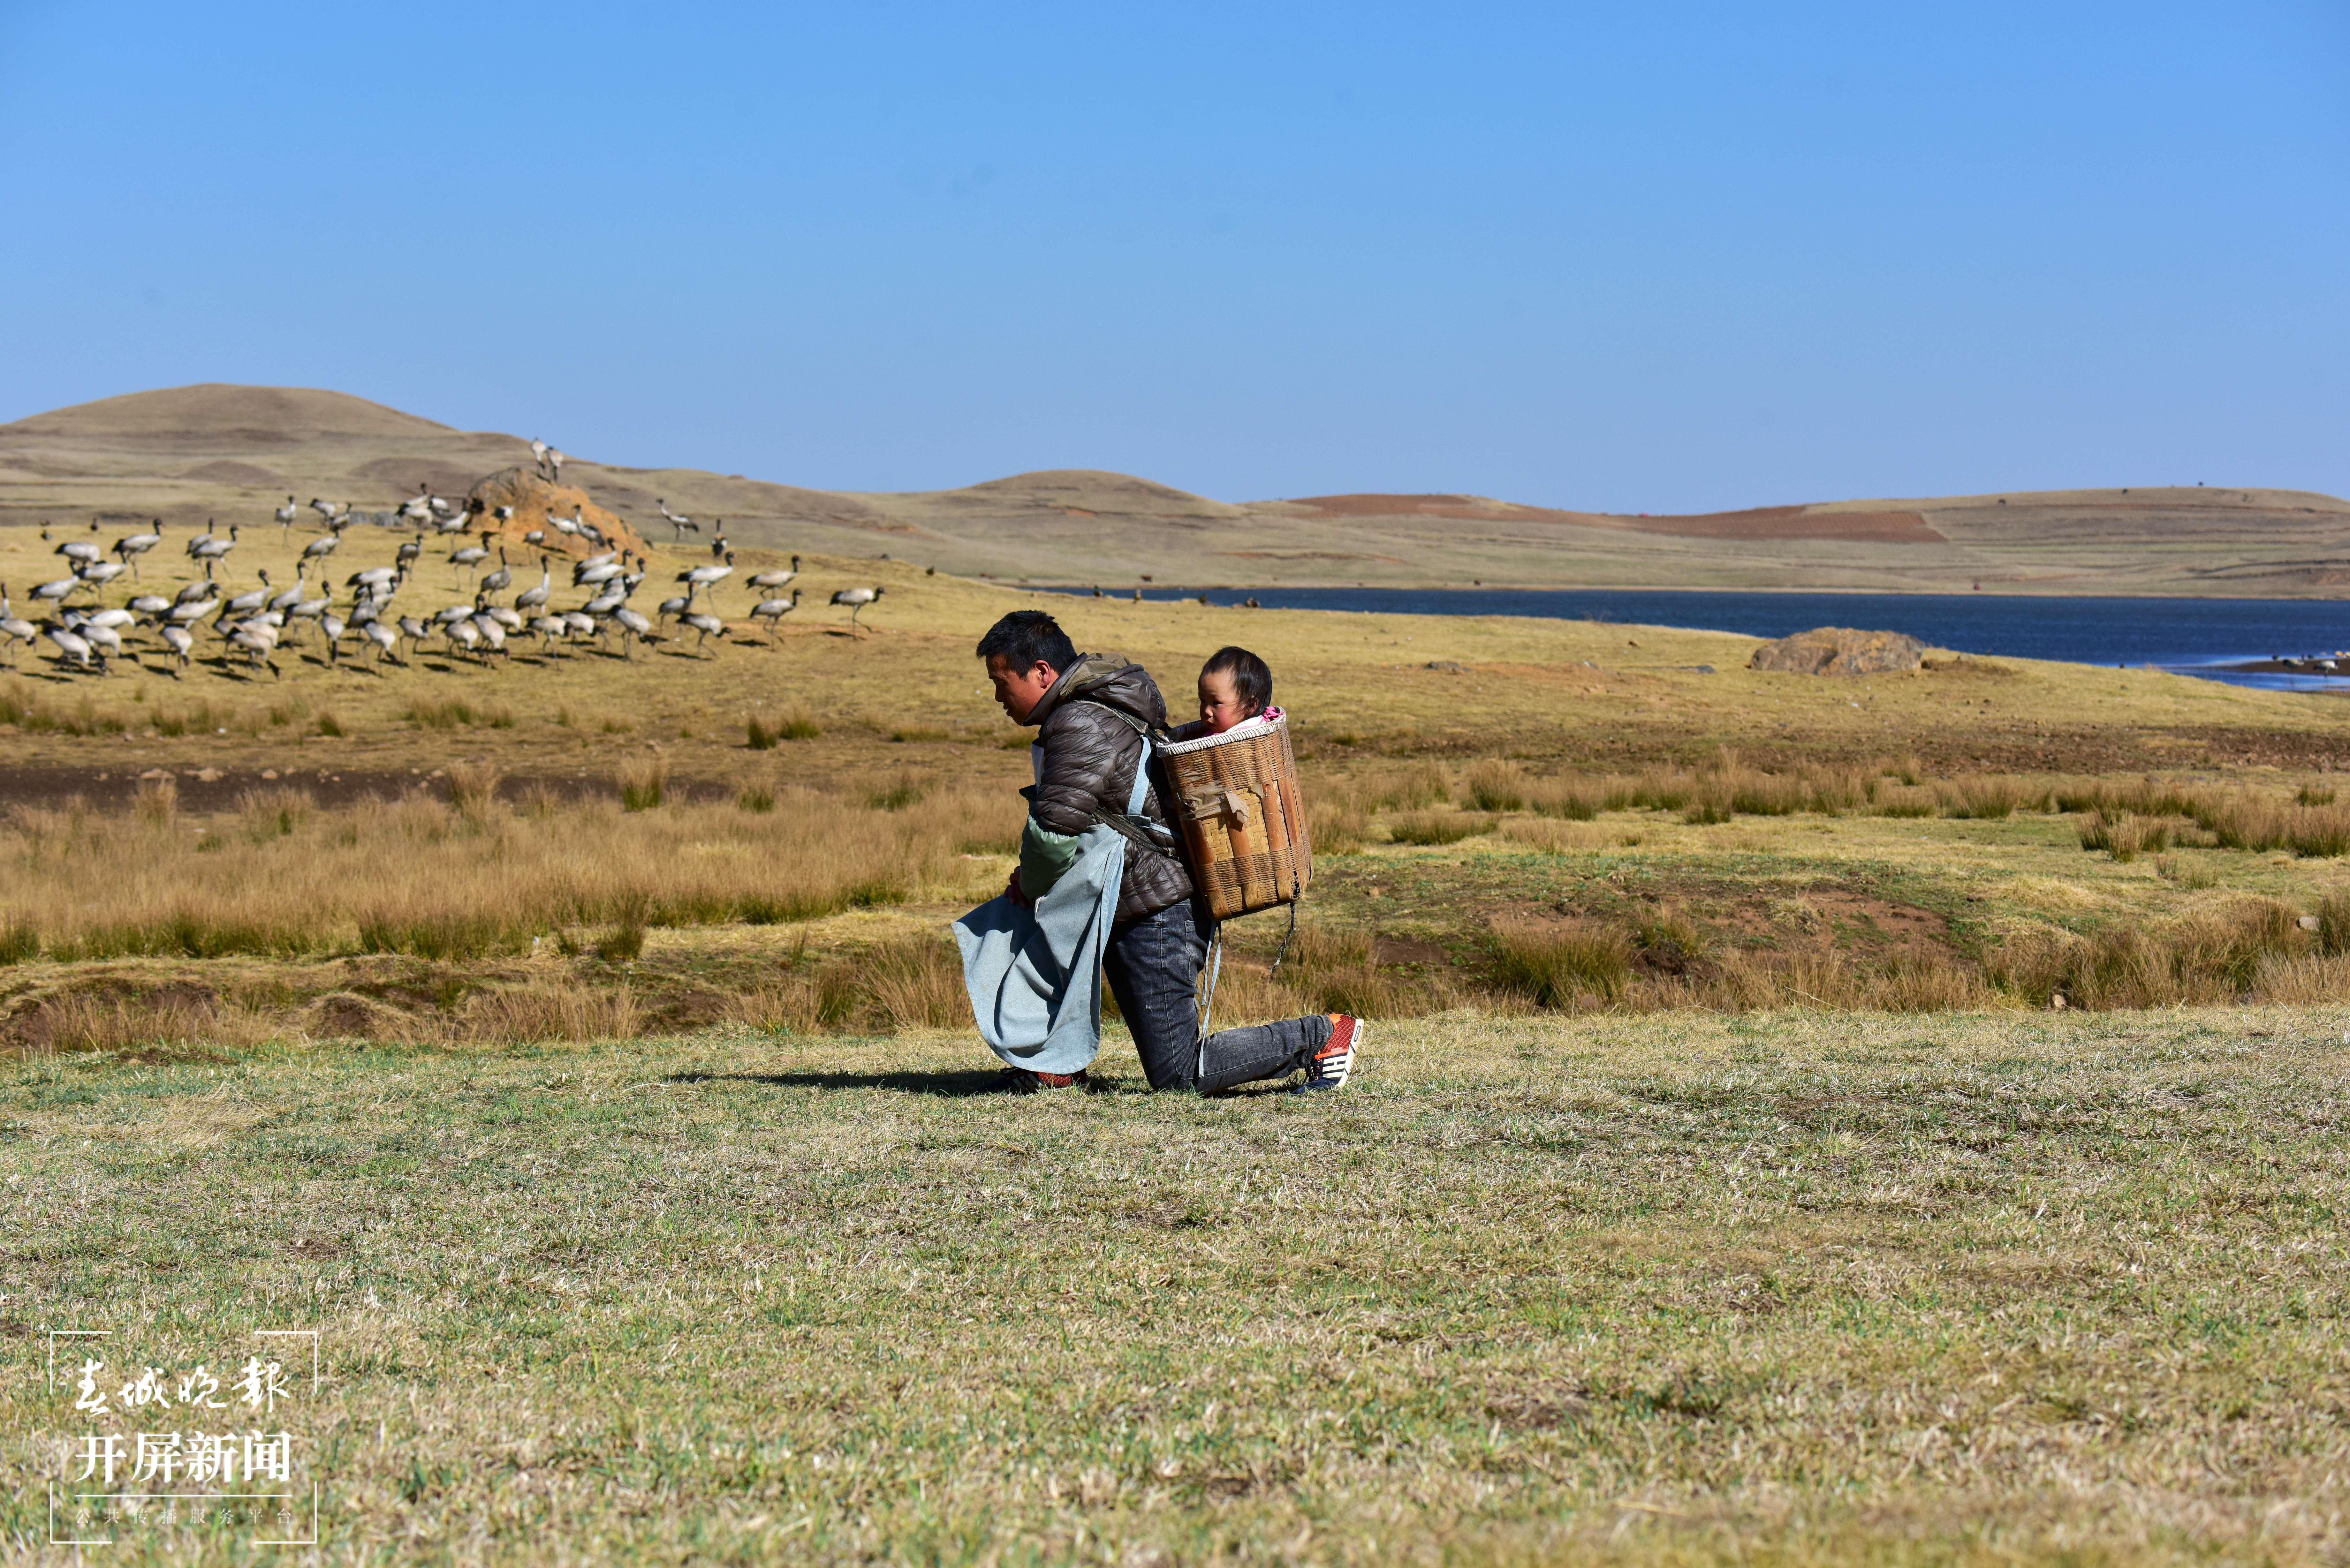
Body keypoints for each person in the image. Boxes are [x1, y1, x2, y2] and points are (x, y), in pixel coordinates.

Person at [974, 610, 1363, 1094]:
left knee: (1180, 1073)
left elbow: (1055, 830)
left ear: (1041, 673)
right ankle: (1056, 1066)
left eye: (1000, 682)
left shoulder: (1078, 723)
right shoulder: (1096, 708)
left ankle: (1323, 1036)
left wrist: (1027, 885)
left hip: (1157, 910)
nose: (997, 698)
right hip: (1133, 900)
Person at [1175, 645, 1282, 739]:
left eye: (1216, 703)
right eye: (1203, 701)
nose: (1207, 711)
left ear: (1250, 705)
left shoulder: (1244, 739)